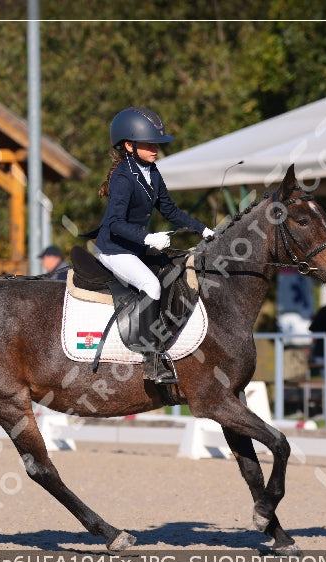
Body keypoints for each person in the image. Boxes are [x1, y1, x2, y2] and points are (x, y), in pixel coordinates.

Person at [93, 106, 214, 383]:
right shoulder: (123, 176)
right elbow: (112, 223)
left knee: (175, 270)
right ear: (129, 145)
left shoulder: (152, 171)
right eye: (148, 143)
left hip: (133, 245)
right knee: (151, 285)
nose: (155, 148)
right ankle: (151, 358)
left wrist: (203, 229)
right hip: (113, 248)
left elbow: (170, 211)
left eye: (156, 143)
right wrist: (147, 238)